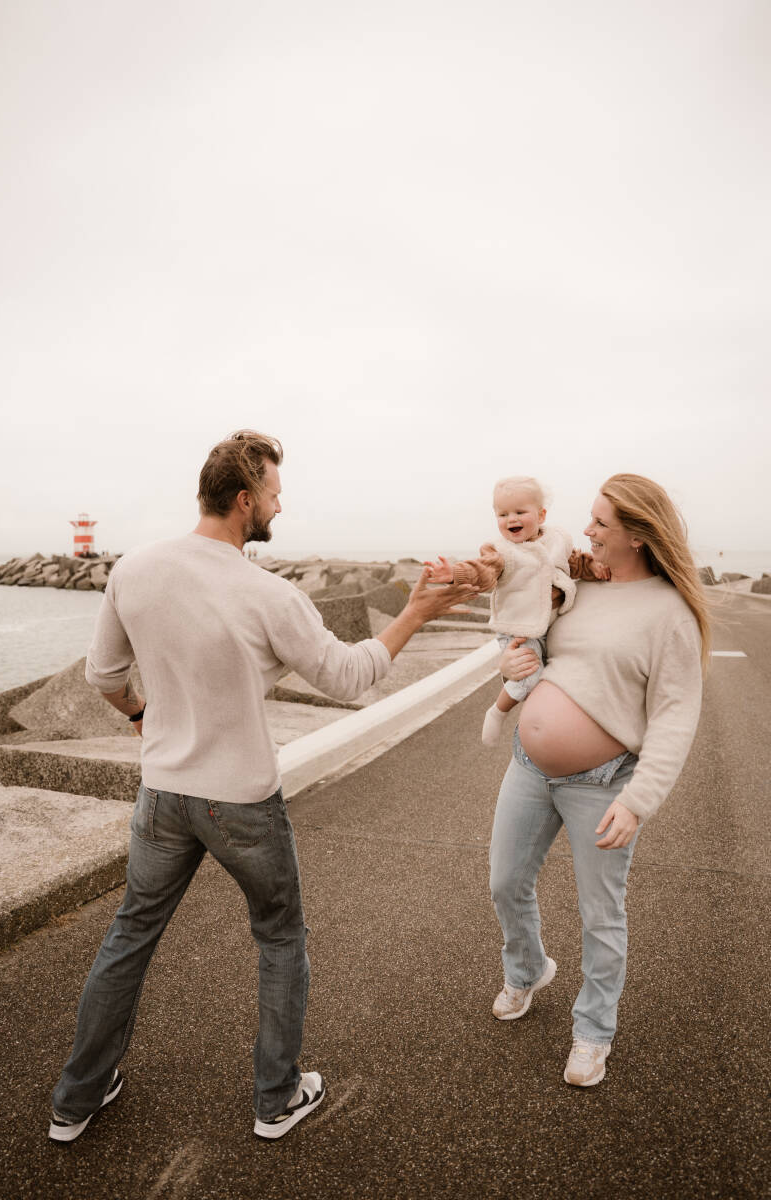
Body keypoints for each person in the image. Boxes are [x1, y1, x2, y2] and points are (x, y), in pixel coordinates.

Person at [48, 430, 476, 1143]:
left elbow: (103, 677)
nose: (281, 504)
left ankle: (76, 1099)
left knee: (130, 935)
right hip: (240, 801)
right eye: (275, 493)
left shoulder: (136, 570)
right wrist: (416, 614)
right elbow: (348, 677)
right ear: (245, 500)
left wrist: (143, 715)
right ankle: (275, 1098)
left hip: (162, 796)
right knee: (279, 938)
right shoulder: (267, 594)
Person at [488, 474, 709, 1086]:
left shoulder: (670, 614)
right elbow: (534, 646)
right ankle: (528, 970)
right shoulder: (576, 588)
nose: (585, 530)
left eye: (600, 523)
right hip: (530, 769)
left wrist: (638, 801)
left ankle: (593, 1032)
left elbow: (675, 714)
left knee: (600, 914)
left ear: (637, 535)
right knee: (505, 882)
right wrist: (510, 664)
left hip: (605, 782)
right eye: (587, 518)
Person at [425, 475, 605, 746]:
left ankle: (552, 731)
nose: (511, 519)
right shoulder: (501, 551)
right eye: (502, 514)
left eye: (520, 512)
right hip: (518, 630)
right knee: (529, 680)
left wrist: (595, 568)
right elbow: (483, 571)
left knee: (555, 681)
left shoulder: (557, 540)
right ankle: (498, 711)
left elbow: (574, 564)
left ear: (541, 515)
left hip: (549, 625)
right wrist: (455, 572)